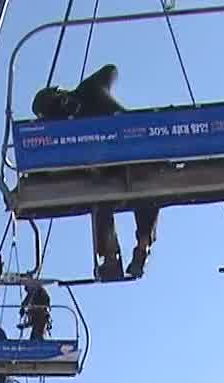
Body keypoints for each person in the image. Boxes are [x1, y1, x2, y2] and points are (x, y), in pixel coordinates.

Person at [72, 65, 159, 282]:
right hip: (131, 151)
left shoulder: (78, 103)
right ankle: (142, 246)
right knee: (146, 188)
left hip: (109, 159)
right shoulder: (89, 92)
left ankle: (112, 256)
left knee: (102, 198)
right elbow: (111, 70)